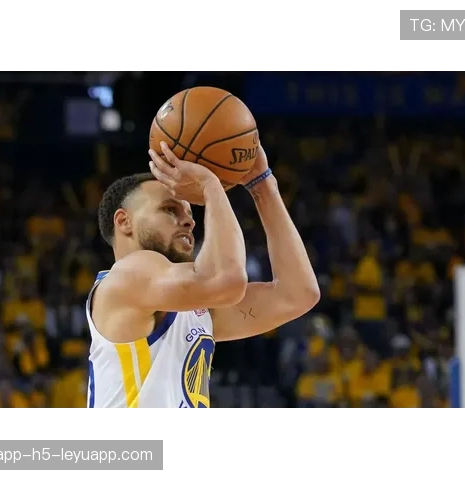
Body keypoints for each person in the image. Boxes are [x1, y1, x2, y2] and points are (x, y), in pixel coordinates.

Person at [86, 140, 320, 408]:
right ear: (124, 221)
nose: (189, 221)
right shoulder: (125, 277)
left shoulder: (192, 307)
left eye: (190, 212)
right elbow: (226, 279)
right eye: (169, 209)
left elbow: (298, 294)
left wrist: (263, 186)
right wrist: (210, 185)